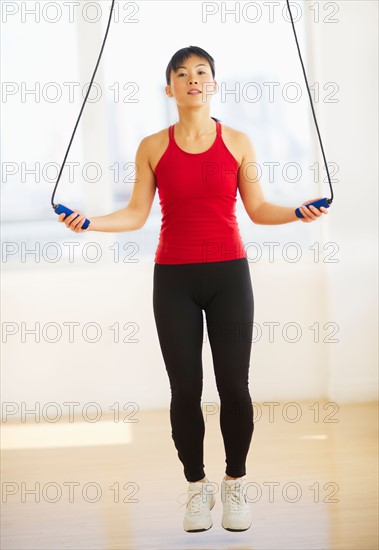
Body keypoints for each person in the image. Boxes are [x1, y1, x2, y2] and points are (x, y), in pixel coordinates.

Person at [57, 45, 329, 533]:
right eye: (182, 74)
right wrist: (91, 223)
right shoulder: (152, 146)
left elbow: (259, 209)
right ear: (170, 88)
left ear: (213, 83)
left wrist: (297, 212)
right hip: (174, 279)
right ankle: (196, 489)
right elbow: (137, 214)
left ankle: (236, 484)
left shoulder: (240, 142)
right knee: (185, 389)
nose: (193, 80)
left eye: (202, 72)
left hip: (229, 276)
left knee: (234, 387)